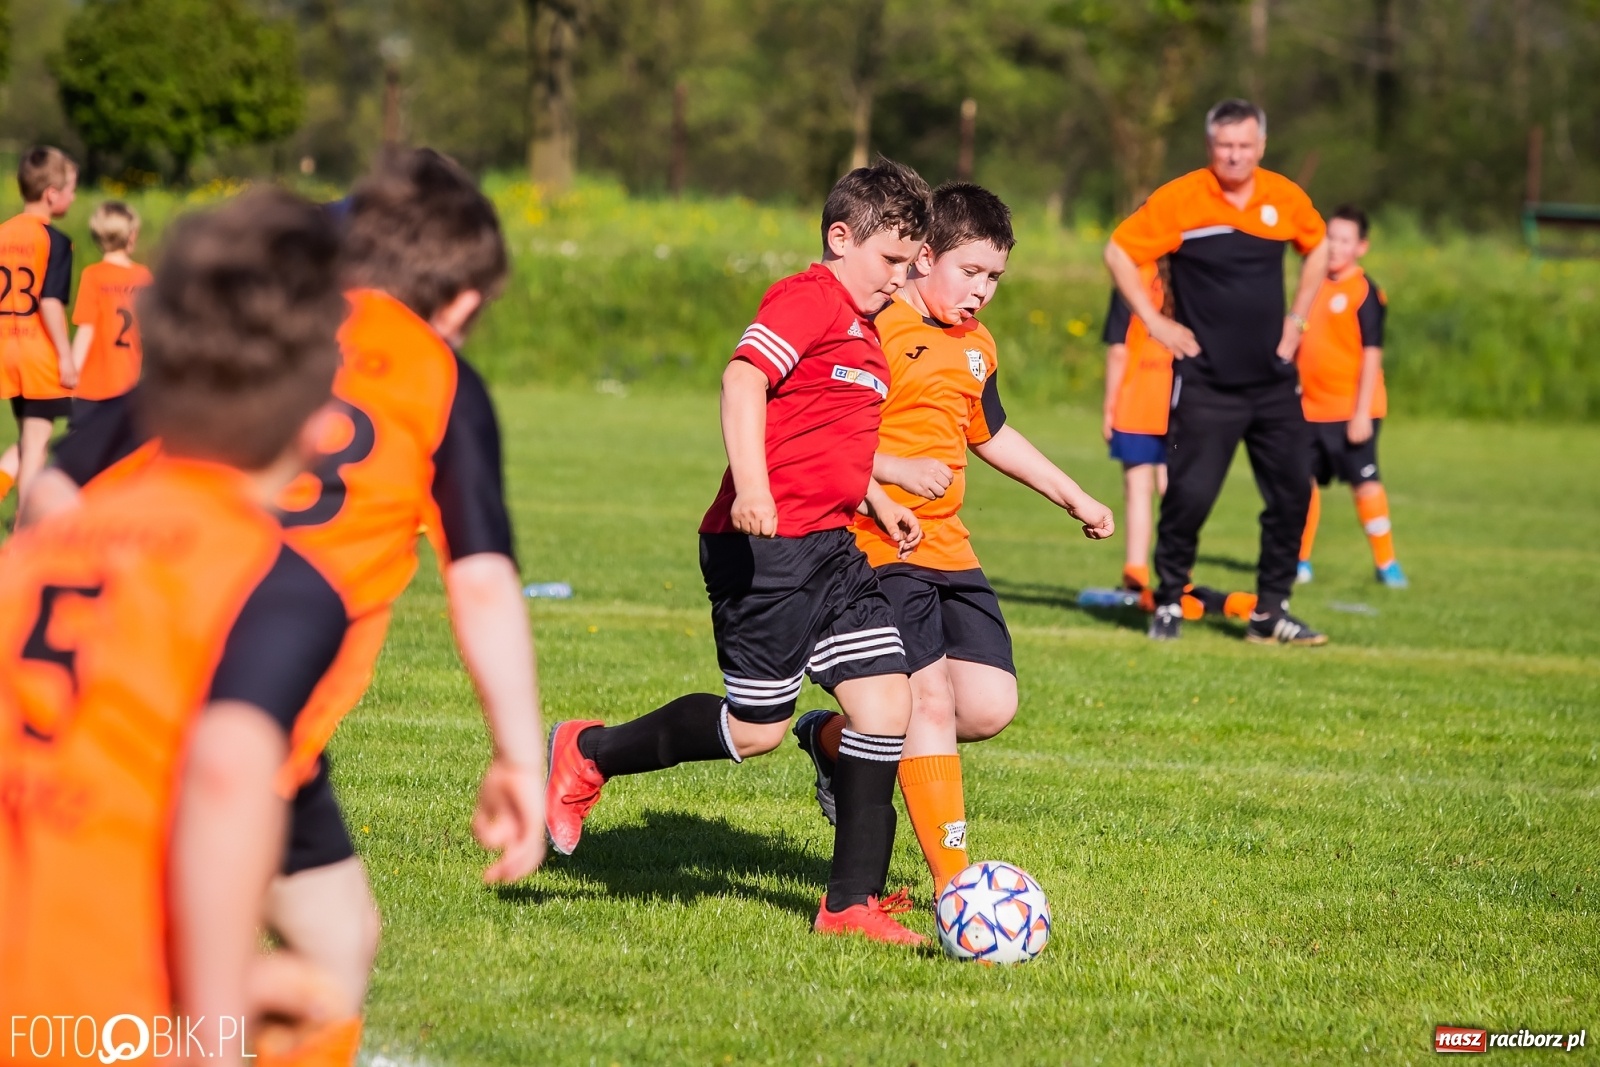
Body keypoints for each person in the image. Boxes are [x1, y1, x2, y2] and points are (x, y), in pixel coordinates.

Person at [22, 149, 550, 1048]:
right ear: (460, 302)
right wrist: (519, 757)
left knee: (338, 933)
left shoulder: (251, 332)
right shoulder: (435, 380)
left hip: (100, 674)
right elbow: (484, 579)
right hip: (230, 689)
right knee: (164, 975)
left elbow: (54, 486)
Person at [0, 188, 351, 1067]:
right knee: (314, 1009)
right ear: (319, 424)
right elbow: (229, 780)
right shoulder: (272, 581)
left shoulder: (34, 554)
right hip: (85, 1013)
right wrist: (214, 1034)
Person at [544, 159, 931, 945]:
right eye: (890, 260)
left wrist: (878, 499)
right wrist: (751, 486)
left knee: (889, 703)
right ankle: (588, 751)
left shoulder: (867, 333)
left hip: (832, 548)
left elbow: (829, 442)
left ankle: (847, 904)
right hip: (765, 548)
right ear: (840, 237)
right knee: (754, 730)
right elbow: (742, 379)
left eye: (908, 265)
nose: (899, 279)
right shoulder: (808, 297)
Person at [790, 182, 1114, 895]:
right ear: (922, 257)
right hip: (878, 545)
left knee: (989, 703)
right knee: (927, 700)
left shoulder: (977, 345)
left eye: (996, 278)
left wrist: (1074, 495)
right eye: (970, 272)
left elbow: (991, 433)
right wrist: (889, 473)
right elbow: (824, 433)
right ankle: (956, 884)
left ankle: (834, 742)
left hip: (951, 549)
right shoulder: (874, 324)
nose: (983, 292)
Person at [1104, 98, 1330, 646]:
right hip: (1207, 381)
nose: (1235, 155)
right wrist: (1155, 322)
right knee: (1190, 496)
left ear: (1261, 146)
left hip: (1273, 380)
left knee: (1293, 493)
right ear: (1210, 147)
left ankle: (1270, 611)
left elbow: (1318, 247)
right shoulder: (1181, 199)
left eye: (1245, 145)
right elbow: (1118, 251)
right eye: (1225, 145)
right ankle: (1170, 599)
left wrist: (1297, 322)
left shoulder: (1284, 197)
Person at [1295, 204, 1406, 588]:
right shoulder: (1310, 283)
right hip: (1308, 408)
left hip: (1353, 410)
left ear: (1361, 246)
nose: (1335, 246)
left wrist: (1361, 414)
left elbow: (1372, 354)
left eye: (1345, 240)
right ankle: (1300, 560)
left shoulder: (1365, 291)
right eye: (1330, 238)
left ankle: (1386, 563)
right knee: (1300, 482)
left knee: (1365, 483)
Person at [0, 147, 77, 512]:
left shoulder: (2, 234)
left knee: (28, 440)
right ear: (51, 194)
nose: (73, 197)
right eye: (71, 189)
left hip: (6, 349)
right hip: (38, 354)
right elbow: (48, 303)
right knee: (36, 445)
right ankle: (25, 534)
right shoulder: (55, 241)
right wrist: (65, 356)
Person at [1101, 261, 1171, 594]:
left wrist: (1109, 406)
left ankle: (1136, 573)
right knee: (1174, 488)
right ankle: (1176, 574)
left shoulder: (1131, 279)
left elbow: (1118, 349)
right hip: (1182, 399)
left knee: (1138, 489)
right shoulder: (1194, 273)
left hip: (1138, 397)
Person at [68, 200, 152, 425]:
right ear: (132, 235)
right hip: (128, 382)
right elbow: (150, 332)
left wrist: (72, 372)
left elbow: (86, 329)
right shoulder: (143, 277)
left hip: (92, 386)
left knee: (83, 453)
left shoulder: (93, 275)